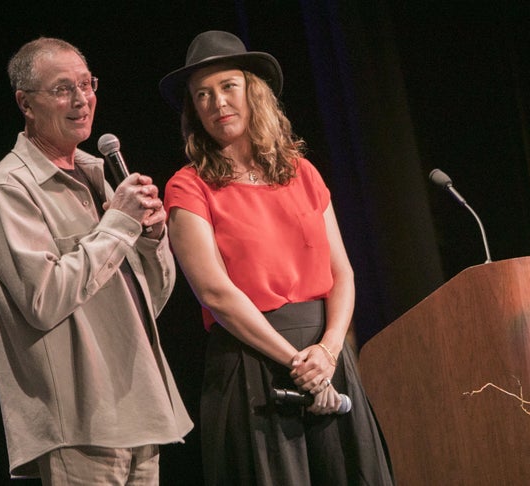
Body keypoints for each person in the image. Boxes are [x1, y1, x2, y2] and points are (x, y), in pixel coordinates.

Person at [159, 30, 395, 485]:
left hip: (325, 358)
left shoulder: (301, 171)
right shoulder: (188, 186)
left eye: (228, 86)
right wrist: (298, 363)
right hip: (253, 365)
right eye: (202, 94)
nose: (217, 102)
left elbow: (341, 272)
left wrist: (328, 352)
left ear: (253, 92)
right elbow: (216, 293)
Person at [0, 37, 193, 484]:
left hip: (142, 408)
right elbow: (44, 299)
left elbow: (147, 302)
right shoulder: (9, 190)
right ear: (25, 104)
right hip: (80, 422)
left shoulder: (100, 173)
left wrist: (151, 238)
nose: (80, 100)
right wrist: (117, 225)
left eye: (86, 84)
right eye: (61, 89)